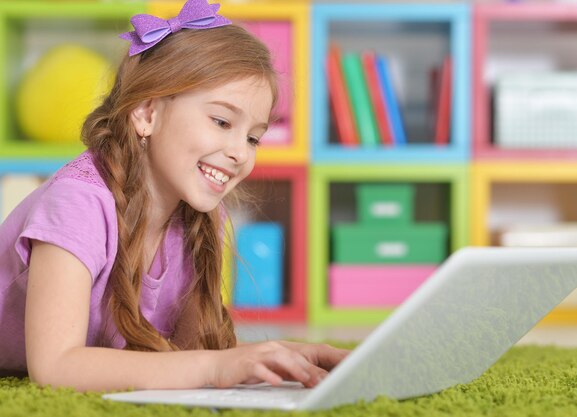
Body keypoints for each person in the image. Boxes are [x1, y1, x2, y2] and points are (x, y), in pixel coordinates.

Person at [0, 0, 349, 392]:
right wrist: (216, 368)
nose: (240, 152)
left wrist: (282, 356)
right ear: (147, 113)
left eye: (253, 137)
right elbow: (55, 365)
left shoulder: (197, 214)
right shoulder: (77, 203)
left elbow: (188, 355)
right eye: (221, 121)